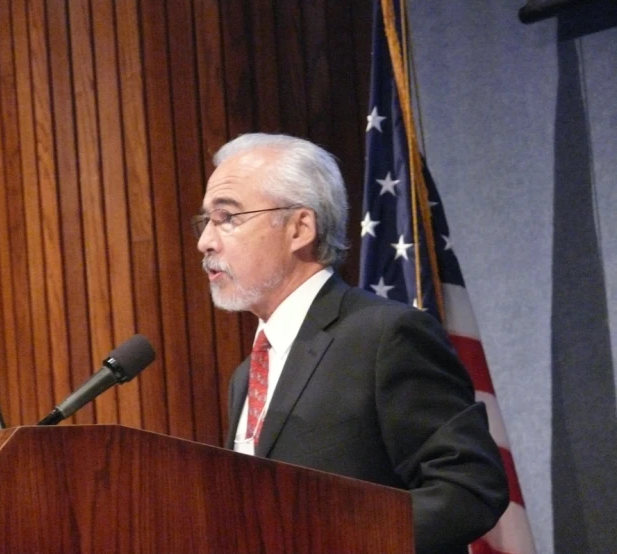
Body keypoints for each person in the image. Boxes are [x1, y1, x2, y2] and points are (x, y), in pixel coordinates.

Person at [192, 133, 509, 554]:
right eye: (206, 221)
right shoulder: (246, 375)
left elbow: (469, 488)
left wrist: (338, 540)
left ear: (299, 227)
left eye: (227, 217)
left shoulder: (385, 336)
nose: (206, 241)